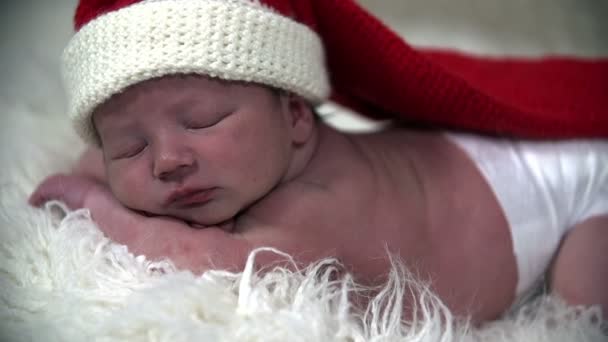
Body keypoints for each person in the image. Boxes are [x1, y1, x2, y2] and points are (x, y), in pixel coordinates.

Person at [29, 0, 608, 323]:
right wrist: (105, 162)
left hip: (580, 191)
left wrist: (88, 198)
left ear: (298, 117)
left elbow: (190, 257)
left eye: (202, 122)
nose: (169, 161)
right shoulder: (270, 155)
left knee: (580, 308)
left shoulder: (316, 209)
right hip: (472, 165)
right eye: (130, 147)